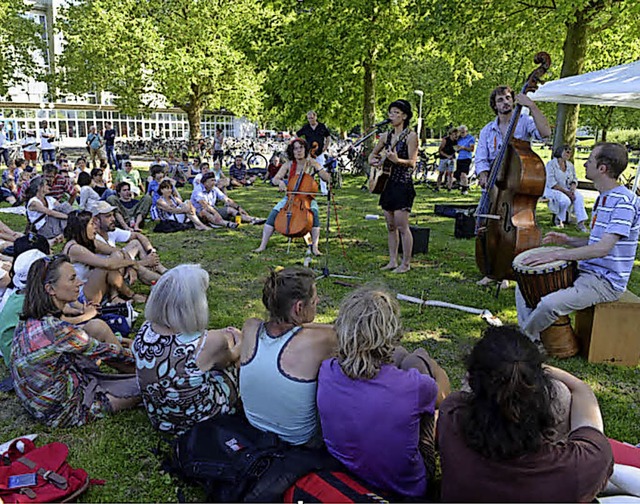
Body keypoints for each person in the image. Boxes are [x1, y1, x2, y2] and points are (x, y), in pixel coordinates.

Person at [437, 325, 613, 502]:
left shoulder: (451, 416)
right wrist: (531, 369)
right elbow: (582, 392)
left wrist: (511, 369)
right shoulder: (580, 466)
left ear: (472, 382)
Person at [317, 286, 450, 498]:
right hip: (405, 488)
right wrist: (429, 363)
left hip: (345, 475)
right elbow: (445, 397)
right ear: (391, 331)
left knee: (404, 358)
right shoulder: (415, 386)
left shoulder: (327, 370)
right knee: (416, 358)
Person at [516, 142, 640, 344]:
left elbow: (603, 248)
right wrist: (568, 240)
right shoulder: (604, 198)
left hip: (605, 282)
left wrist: (557, 254)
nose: (584, 165)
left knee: (549, 304)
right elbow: (596, 241)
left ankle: (521, 340)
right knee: (525, 278)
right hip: (587, 271)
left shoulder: (623, 202)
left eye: (589, 160)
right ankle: (532, 335)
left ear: (602, 169)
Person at [11, 255, 139, 428]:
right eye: (72, 278)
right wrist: (146, 361)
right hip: (64, 411)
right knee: (152, 384)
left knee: (96, 328)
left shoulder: (31, 319)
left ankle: (137, 373)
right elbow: (110, 353)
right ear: (50, 289)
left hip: (39, 401)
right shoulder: (58, 331)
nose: (80, 283)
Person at [133, 265, 241, 435]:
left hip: (161, 417)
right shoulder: (208, 343)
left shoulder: (146, 330)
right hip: (199, 419)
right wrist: (240, 338)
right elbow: (231, 358)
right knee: (238, 360)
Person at [240, 267, 336, 445]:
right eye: (314, 301)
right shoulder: (320, 340)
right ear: (299, 307)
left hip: (254, 426)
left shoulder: (251, 327)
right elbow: (342, 332)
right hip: (298, 440)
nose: (318, 301)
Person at [475, 85, 551, 289]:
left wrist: (532, 106)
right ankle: (491, 271)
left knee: (512, 230)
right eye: (500, 100)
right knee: (486, 228)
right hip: (494, 187)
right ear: (494, 105)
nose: (505, 102)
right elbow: (481, 158)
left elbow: (545, 134)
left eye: (508, 98)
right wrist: (483, 175)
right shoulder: (487, 129)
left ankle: (508, 270)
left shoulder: (525, 121)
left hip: (515, 186)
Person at [253, 138, 331, 255]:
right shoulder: (289, 164)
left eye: (301, 148)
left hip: (307, 199)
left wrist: (321, 170)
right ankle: (262, 245)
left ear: (305, 149)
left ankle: (315, 247)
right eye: (295, 149)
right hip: (289, 198)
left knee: (314, 214)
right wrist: (280, 183)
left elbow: (326, 178)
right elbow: (275, 179)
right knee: (273, 215)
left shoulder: (312, 163)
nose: (298, 151)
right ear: (292, 151)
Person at [368, 99, 418, 274]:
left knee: (402, 225)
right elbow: (372, 155)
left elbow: (412, 162)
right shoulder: (386, 136)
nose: (392, 116)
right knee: (390, 225)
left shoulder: (411, 136)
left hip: (402, 183)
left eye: (396, 112)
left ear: (404, 116)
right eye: (390, 112)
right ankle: (392, 260)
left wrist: (398, 161)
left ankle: (406, 263)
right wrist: (374, 161)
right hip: (387, 183)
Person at [62, 210, 156, 304]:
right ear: (82, 227)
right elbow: (106, 264)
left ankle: (116, 297)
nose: (95, 227)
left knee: (116, 256)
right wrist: (132, 262)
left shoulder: (89, 242)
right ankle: (131, 294)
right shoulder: (74, 248)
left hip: (94, 286)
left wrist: (131, 266)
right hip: (80, 296)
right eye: (91, 224)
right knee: (106, 266)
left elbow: (117, 251)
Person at [544, 144, 588, 232]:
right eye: (566, 151)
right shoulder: (551, 164)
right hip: (551, 189)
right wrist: (567, 193)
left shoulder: (570, 165)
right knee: (565, 200)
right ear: (560, 152)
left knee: (579, 197)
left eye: (570, 152)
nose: (568, 154)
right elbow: (552, 183)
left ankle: (581, 223)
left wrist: (573, 188)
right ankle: (559, 219)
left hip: (566, 189)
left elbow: (574, 178)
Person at [25, 176, 72, 242]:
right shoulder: (34, 202)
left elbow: (62, 208)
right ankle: (72, 228)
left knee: (65, 206)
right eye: (46, 185)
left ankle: (71, 227)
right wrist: (69, 217)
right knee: (59, 211)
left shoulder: (49, 199)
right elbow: (49, 212)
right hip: (43, 228)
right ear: (39, 187)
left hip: (53, 225)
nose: (49, 187)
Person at [297, 111, 332, 194]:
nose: (310, 120)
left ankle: (324, 190)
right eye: (309, 118)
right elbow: (297, 135)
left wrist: (326, 147)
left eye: (312, 118)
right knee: (307, 171)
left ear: (315, 117)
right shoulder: (306, 127)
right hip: (309, 153)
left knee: (322, 169)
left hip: (319, 153)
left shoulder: (321, 126)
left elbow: (328, 137)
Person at [437, 127, 458, 191]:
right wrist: (447, 156)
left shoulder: (456, 141)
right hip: (444, 158)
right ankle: (438, 186)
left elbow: (456, 150)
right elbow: (440, 150)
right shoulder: (445, 140)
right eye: (454, 134)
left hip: (451, 158)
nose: (456, 135)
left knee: (451, 173)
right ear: (451, 134)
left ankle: (449, 187)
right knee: (441, 172)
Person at [455, 125, 475, 195]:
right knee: (459, 175)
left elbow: (472, 149)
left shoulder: (470, 138)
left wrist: (463, 148)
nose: (462, 134)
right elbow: (457, 149)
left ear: (466, 131)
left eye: (463, 132)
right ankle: (461, 186)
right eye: (460, 132)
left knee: (464, 174)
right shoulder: (459, 139)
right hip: (460, 158)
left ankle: (465, 189)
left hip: (467, 158)